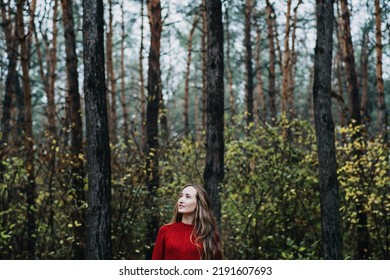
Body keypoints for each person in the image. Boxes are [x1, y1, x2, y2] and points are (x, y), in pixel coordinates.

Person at [152, 184, 223, 260]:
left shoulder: (209, 234)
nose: (181, 200)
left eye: (187, 197)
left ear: (198, 204)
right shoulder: (165, 230)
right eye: (181, 196)